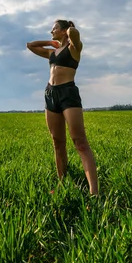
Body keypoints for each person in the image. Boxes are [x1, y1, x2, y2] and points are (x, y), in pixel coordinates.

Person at [26, 20, 98, 196]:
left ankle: (94, 193)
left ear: (64, 30)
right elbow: (31, 45)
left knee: (80, 143)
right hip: (51, 94)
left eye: (54, 28)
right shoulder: (52, 52)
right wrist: (51, 41)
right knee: (58, 143)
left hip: (68, 93)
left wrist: (68, 30)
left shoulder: (74, 49)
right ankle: (62, 184)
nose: (51, 31)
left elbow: (74, 33)